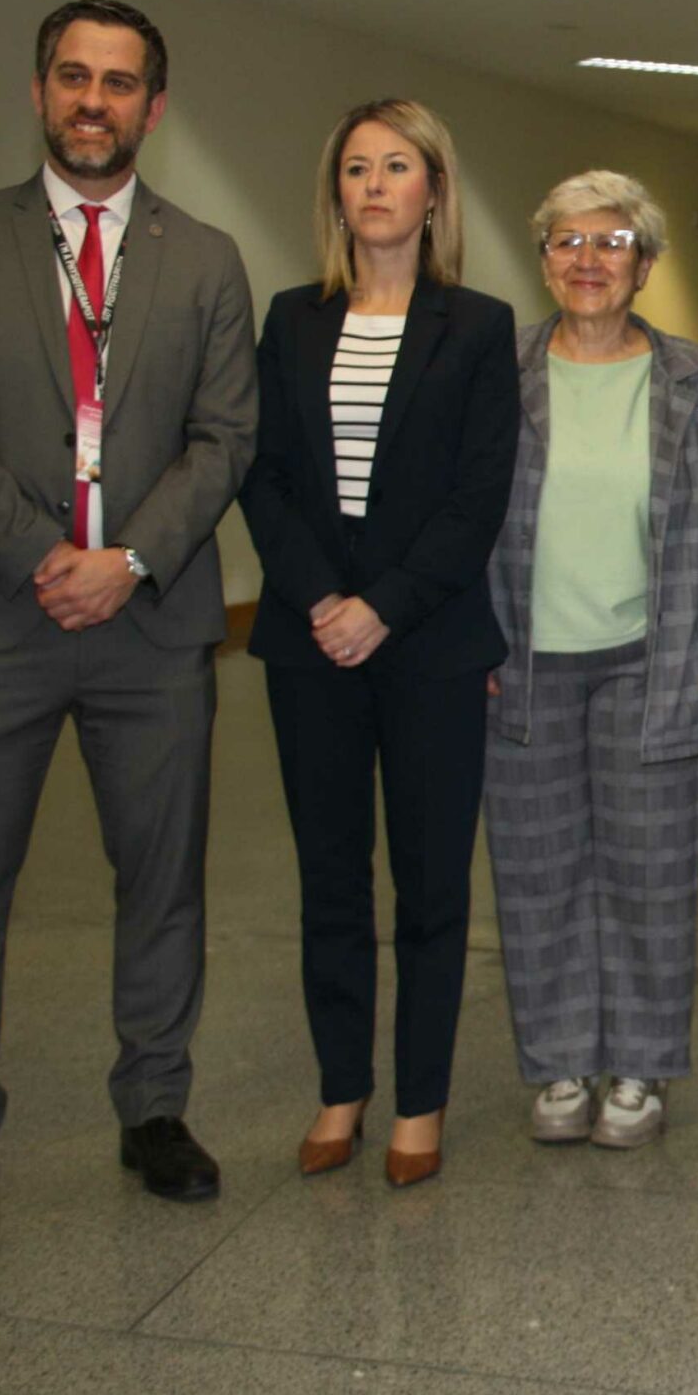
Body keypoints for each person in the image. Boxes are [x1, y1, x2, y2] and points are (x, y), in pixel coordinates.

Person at [0, 0, 257, 1223]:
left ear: (155, 106)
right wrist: (43, 554)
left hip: (152, 627)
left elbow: (225, 436)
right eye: (73, 77)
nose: (94, 101)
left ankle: (154, 1107)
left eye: (119, 82)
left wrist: (129, 559)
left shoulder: (205, 258)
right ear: (40, 90)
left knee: (162, 880)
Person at [238, 98, 519, 1188]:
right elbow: (262, 475)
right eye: (356, 168)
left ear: (433, 190)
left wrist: (383, 606)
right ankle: (341, 1087)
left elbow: (476, 496)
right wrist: (323, 599)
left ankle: (419, 1102)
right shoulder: (291, 319)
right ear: (337, 193)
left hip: (430, 642)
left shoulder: (478, 326)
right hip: (309, 641)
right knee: (330, 878)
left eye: (396, 167)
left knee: (432, 886)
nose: (374, 186)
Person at [484, 171, 698, 1151]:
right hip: (521, 662)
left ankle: (639, 1065)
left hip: (652, 657)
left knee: (650, 873)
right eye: (568, 241)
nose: (588, 260)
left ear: (645, 264)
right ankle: (559, 1062)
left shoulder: (692, 379)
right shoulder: (498, 371)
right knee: (536, 870)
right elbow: (457, 508)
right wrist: (469, 636)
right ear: (543, 258)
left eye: (612, 243)